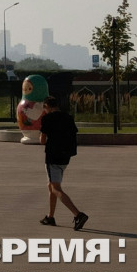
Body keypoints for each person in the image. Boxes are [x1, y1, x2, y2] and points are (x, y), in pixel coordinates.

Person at [39, 96, 87, 230]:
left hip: (52, 157)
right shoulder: (68, 117)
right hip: (65, 157)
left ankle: (78, 214)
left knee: (56, 188)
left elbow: (42, 140)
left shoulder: (47, 119)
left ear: (47, 106)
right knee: (51, 185)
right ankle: (50, 217)